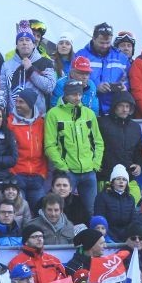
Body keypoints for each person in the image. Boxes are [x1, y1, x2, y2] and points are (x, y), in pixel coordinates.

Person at [44, 81, 104, 215]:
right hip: (67, 172)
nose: (77, 97)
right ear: (65, 94)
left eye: (80, 94)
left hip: (89, 171)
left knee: (91, 211)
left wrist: (96, 164)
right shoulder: (53, 114)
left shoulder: (89, 113)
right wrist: (63, 167)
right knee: (61, 210)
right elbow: (49, 145)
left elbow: (98, 142)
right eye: (73, 94)